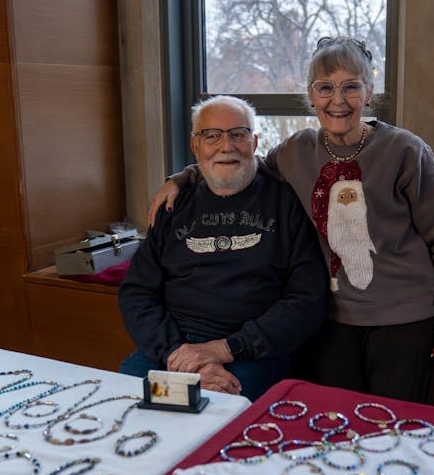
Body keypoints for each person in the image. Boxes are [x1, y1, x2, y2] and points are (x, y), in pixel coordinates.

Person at [150, 37, 434, 403]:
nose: (338, 100)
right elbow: (240, 164)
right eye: (325, 88)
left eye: (351, 87)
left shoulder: (406, 151)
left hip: (404, 318)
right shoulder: (296, 150)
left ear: (369, 92)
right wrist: (183, 177)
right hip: (331, 321)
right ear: (311, 95)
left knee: (391, 423)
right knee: (330, 420)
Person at [119, 95, 327, 401]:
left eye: (238, 134)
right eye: (212, 136)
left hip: (250, 353)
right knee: (128, 397)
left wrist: (225, 349)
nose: (226, 146)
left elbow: (306, 300)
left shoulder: (287, 204)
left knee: (209, 405)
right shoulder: (172, 206)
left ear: (254, 143)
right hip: (173, 351)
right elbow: (136, 292)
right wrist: (177, 353)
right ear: (196, 147)